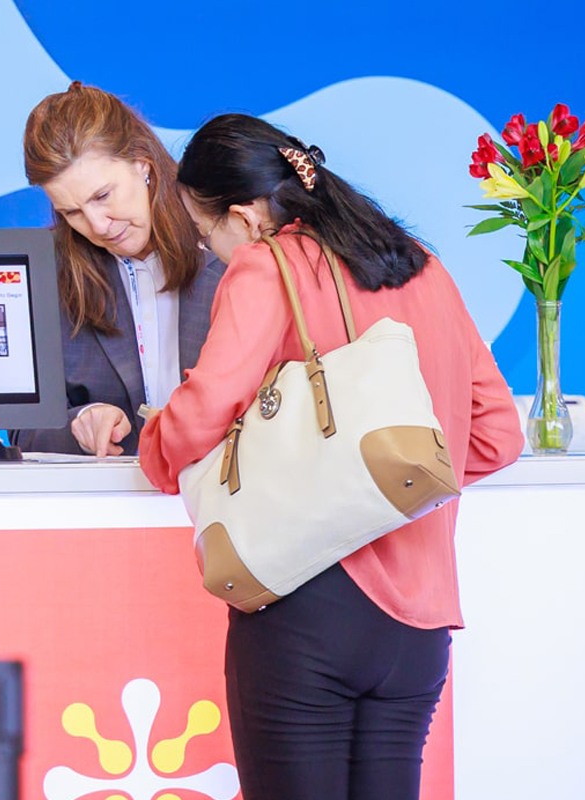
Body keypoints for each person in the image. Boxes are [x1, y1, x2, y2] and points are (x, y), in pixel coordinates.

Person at [138, 114, 524, 800]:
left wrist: (154, 450)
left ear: (247, 214)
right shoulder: (422, 266)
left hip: (307, 610)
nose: (216, 253)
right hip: (420, 629)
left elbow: (203, 410)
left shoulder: (269, 264)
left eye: (208, 236)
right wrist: (389, 483)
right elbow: (497, 433)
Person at [10, 82, 225, 456]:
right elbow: (19, 427)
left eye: (102, 196)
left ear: (142, 164)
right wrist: (80, 422)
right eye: (71, 212)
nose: (97, 225)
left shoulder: (232, 245)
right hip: (109, 506)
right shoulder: (48, 273)